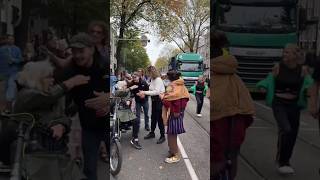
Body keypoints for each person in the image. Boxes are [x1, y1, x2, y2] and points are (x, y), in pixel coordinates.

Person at [0, 60, 88, 178]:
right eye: (48, 77)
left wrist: (61, 125)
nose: (53, 81)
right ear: (36, 78)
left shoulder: (53, 98)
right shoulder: (26, 95)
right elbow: (45, 97)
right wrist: (69, 83)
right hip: (32, 156)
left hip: (57, 153)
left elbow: (64, 116)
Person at [257, 44, 313, 175]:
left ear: (295, 55)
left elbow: (310, 84)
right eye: (284, 52)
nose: (285, 55)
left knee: (293, 133)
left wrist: (310, 95)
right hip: (279, 103)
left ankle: (286, 160)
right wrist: (263, 86)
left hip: (294, 105)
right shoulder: (278, 67)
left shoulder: (303, 70)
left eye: (288, 52)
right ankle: (281, 161)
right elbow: (269, 79)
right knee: (286, 129)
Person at [211, 30, 254, 180]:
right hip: (233, 137)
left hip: (216, 148)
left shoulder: (214, 77)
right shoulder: (235, 78)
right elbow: (247, 112)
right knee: (232, 160)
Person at [68, 33, 109, 180]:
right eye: (74, 51)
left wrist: (108, 98)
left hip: (107, 124)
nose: (77, 55)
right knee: (89, 169)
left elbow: (121, 91)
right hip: (89, 127)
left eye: (81, 51)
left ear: (91, 49)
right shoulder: (71, 69)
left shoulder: (105, 65)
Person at [160, 70, 189, 163]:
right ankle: (172, 151)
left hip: (174, 113)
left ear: (170, 78)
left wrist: (163, 98)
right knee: (171, 133)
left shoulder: (173, 86)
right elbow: (184, 99)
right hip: (177, 112)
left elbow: (170, 100)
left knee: (172, 134)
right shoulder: (181, 85)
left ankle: (175, 155)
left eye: (168, 77)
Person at [138, 65, 166, 144]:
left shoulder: (158, 80)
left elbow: (156, 91)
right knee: (153, 117)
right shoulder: (153, 79)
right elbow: (150, 89)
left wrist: (144, 92)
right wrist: (144, 93)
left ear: (152, 72)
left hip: (159, 101)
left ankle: (162, 136)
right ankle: (152, 133)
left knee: (160, 119)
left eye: (148, 72)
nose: (148, 74)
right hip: (154, 100)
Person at [0, 34, 22, 112]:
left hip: (14, 71)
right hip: (4, 72)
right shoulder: (1, 49)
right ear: (6, 40)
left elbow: (20, 59)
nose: (11, 40)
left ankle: (10, 107)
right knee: (5, 89)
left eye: (12, 39)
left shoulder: (17, 49)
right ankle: (7, 106)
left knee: (11, 87)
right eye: (9, 39)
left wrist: (13, 60)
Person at [128, 72, 149, 149]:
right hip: (137, 102)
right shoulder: (132, 83)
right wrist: (134, 94)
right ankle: (137, 128)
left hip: (145, 101)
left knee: (146, 114)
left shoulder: (144, 82)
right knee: (137, 115)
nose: (134, 79)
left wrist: (144, 95)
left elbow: (148, 90)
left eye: (135, 77)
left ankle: (147, 126)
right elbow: (127, 89)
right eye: (133, 77)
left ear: (139, 77)